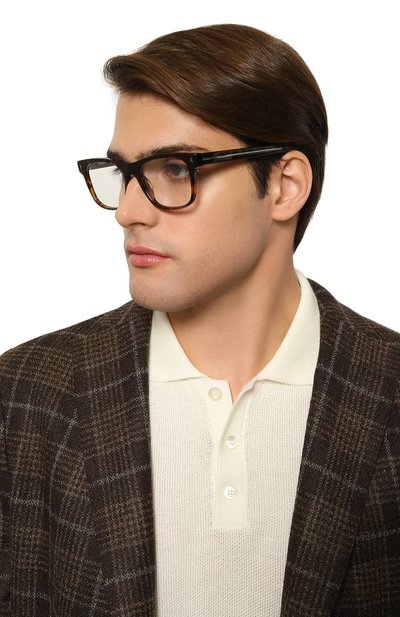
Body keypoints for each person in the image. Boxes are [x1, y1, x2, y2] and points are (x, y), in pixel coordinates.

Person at [0, 23, 399, 617]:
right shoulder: (26, 395)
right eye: (124, 173)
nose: (128, 211)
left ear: (285, 186)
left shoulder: (388, 388)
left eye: (176, 168)